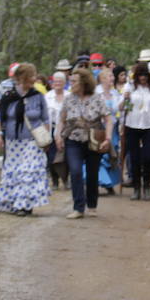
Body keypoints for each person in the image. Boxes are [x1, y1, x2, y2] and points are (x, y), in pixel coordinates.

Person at [0, 63, 51, 216]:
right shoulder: (9, 97)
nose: (34, 78)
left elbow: (45, 119)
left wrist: (46, 138)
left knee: (28, 171)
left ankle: (24, 205)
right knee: (15, 172)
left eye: (35, 75)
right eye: (31, 75)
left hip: (32, 140)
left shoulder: (37, 96)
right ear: (22, 78)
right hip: (13, 141)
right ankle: (15, 202)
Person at [56, 67, 113, 219]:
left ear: (83, 82)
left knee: (92, 174)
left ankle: (92, 205)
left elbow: (108, 119)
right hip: (73, 140)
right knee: (75, 171)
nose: (71, 83)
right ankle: (78, 208)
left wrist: (107, 138)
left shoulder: (97, 98)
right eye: (70, 81)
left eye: (74, 81)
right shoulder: (68, 99)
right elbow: (61, 119)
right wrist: (58, 136)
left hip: (93, 140)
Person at [122, 63, 150, 201]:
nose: (143, 78)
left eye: (145, 75)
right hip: (132, 125)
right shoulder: (130, 87)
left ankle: (147, 185)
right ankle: (136, 188)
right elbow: (123, 108)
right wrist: (125, 99)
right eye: (140, 75)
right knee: (134, 158)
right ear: (136, 76)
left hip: (149, 126)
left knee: (148, 157)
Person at [95, 68, 123, 193]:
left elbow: (118, 110)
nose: (112, 78)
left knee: (112, 154)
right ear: (102, 79)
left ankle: (110, 183)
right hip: (100, 128)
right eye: (109, 76)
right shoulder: (96, 93)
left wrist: (125, 100)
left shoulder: (115, 93)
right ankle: (99, 182)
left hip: (113, 128)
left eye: (112, 76)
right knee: (100, 155)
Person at [44, 71, 69, 190]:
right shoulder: (47, 96)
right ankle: (55, 181)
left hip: (66, 130)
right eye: (55, 81)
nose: (57, 83)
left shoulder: (69, 96)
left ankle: (66, 179)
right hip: (51, 128)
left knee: (66, 156)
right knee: (52, 156)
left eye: (60, 81)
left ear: (64, 83)